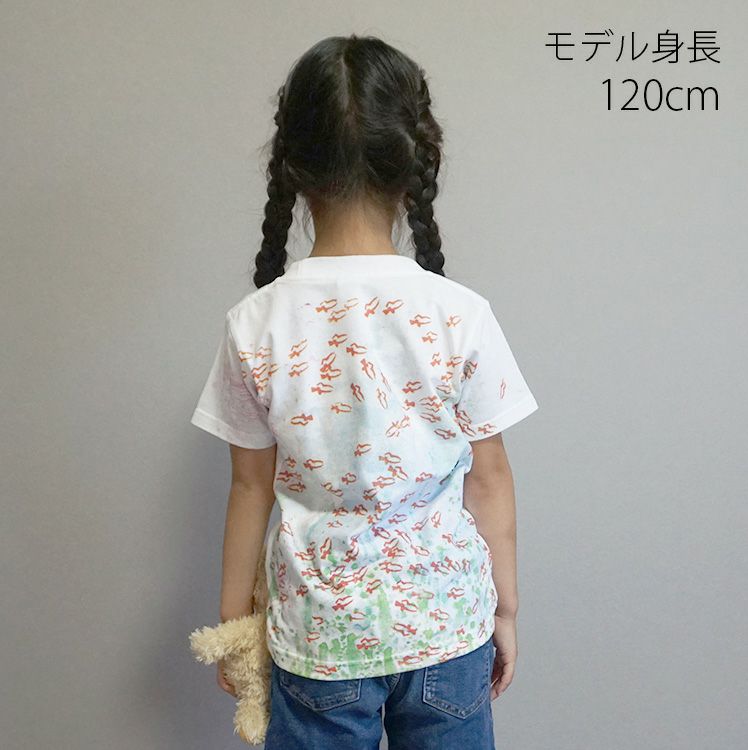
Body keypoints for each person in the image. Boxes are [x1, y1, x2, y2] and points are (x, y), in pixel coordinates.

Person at [189, 33, 539, 750]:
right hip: (446, 630)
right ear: (416, 161)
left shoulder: (255, 321)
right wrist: (505, 610)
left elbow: (249, 487)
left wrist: (234, 621)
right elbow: (490, 478)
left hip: (319, 638)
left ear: (292, 167)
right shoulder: (460, 314)